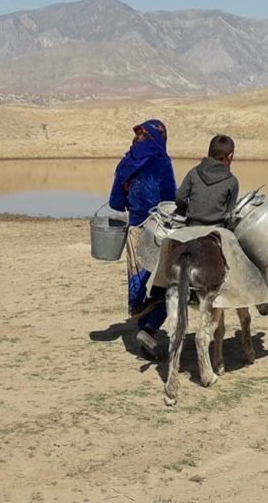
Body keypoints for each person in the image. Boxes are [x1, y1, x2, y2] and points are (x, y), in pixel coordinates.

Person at [108, 119, 175, 359]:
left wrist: (133, 204)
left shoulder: (126, 163)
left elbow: (115, 202)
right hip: (158, 231)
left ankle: (143, 333)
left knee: (140, 286)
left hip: (135, 231)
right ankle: (149, 329)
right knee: (165, 285)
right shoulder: (162, 162)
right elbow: (170, 200)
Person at [175, 134, 239, 227]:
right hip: (217, 229)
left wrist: (189, 210)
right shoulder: (232, 181)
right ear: (230, 156)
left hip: (191, 225)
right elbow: (229, 213)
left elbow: (179, 198)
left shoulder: (194, 172)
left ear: (209, 153)